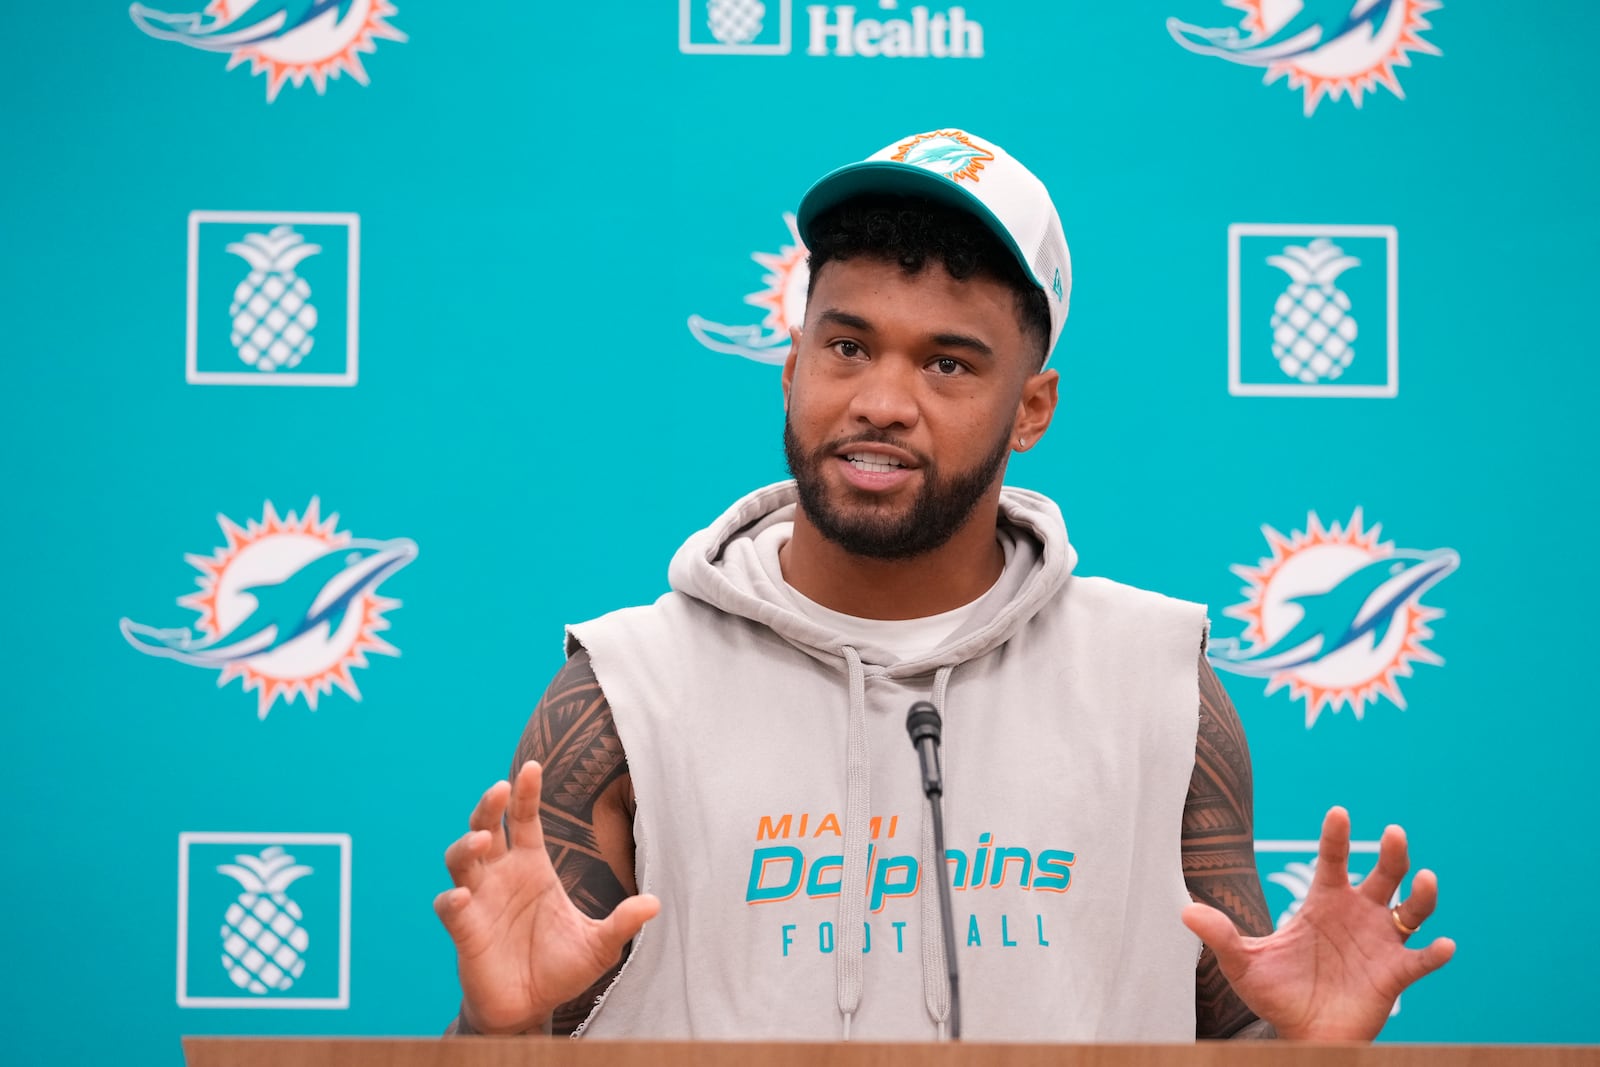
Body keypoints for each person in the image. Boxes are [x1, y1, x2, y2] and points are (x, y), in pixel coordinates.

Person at [435, 129, 1454, 1042]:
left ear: (1032, 408)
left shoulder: (1157, 685)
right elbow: (520, 1032)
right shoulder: (622, 690)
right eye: (846, 346)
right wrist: (498, 1028)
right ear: (789, 367)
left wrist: (1309, 1047)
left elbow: (1234, 1039)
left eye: (950, 365)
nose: (882, 402)